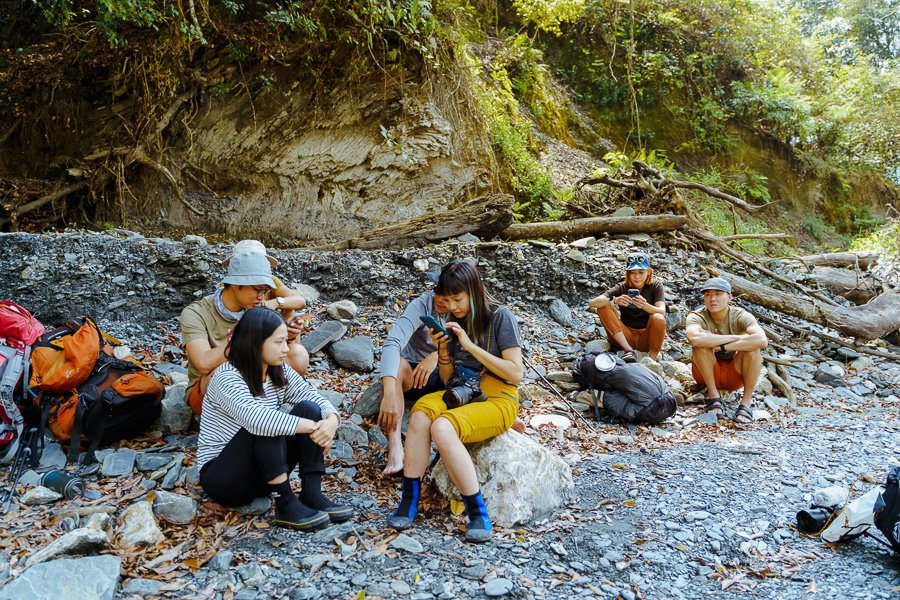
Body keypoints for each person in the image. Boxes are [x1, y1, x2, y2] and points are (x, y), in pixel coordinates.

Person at [388, 261, 523, 543]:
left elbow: (516, 373)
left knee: (442, 427)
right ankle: (409, 500)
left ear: (474, 291)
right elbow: (449, 380)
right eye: (446, 300)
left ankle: (478, 513)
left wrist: (470, 345)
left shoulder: (501, 317)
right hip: (463, 390)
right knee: (422, 414)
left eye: (457, 299)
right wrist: (443, 349)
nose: (452, 306)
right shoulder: (452, 319)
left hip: (499, 397)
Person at [196, 306, 353, 530]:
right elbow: (257, 419)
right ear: (255, 342)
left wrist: (331, 421)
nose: (286, 349)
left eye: (286, 341)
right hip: (225, 480)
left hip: (264, 472)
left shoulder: (277, 369)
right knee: (265, 425)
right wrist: (313, 428)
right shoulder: (227, 376)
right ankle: (285, 504)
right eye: (279, 342)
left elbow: (311, 396)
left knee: (308, 408)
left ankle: (312, 494)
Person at [181, 247, 308, 416]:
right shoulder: (196, 313)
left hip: (254, 383)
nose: (262, 297)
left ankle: (264, 411)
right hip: (207, 392)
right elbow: (203, 363)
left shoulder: (260, 307)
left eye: (264, 291)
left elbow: (287, 356)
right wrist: (249, 338)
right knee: (221, 373)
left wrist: (289, 337)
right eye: (257, 290)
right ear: (235, 284)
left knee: (297, 353)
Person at [377, 273, 449, 476]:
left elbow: (470, 350)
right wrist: (389, 391)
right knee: (397, 366)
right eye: (438, 293)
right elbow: (393, 343)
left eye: (449, 296)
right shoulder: (421, 305)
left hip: (447, 371)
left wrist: (437, 355)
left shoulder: (463, 308)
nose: (442, 300)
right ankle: (395, 448)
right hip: (413, 376)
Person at [685, 277, 767, 424]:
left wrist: (722, 346)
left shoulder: (740, 315)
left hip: (734, 375)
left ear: (729, 297)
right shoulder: (697, 316)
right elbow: (695, 339)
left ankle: (746, 403)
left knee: (753, 349)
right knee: (701, 346)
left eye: (718, 294)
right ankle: (713, 396)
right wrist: (737, 337)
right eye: (708, 294)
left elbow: (761, 340)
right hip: (706, 374)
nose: (712, 299)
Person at [589, 252, 667, 362]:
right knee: (604, 307)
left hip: (646, 338)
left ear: (648, 272)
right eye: (633, 272)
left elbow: (661, 311)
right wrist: (614, 300)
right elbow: (592, 303)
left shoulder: (655, 286)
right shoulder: (622, 287)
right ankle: (628, 351)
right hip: (624, 337)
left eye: (641, 272)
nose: (637, 276)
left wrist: (645, 305)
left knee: (658, 318)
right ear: (628, 273)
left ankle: (651, 361)